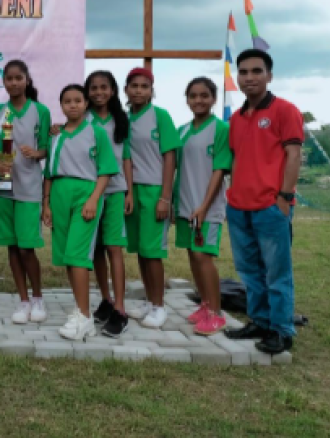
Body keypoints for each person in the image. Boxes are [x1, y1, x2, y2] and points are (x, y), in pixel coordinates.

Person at [224, 49, 303, 354]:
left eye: (256, 71)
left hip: (271, 207)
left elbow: (293, 155)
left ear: (269, 76)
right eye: (243, 72)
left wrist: (284, 197)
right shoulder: (237, 118)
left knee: (276, 273)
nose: (249, 77)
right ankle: (259, 321)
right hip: (239, 207)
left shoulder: (285, 110)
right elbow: (236, 159)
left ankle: (282, 330)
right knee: (249, 272)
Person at [42, 84, 118, 341]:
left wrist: (94, 199)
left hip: (85, 193)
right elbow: (49, 172)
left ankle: (85, 319)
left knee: (78, 254)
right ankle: (79, 309)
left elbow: (106, 169)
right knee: (66, 255)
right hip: (59, 194)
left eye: (77, 100)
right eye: (67, 101)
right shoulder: (56, 135)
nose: (72, 105)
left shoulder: (97, 132)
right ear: (61, 106)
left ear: (86, 104)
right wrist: (46, 204)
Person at [0, 60, 50, 325]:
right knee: (12, 247)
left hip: (30, 186)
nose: (13, 82)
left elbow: (48, 146)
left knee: (27, 248)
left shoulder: (40, 111)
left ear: (26, 80)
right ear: (3, 82)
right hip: (3, 185)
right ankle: (23, 300)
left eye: (18, 78)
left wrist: (37, 153)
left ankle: (38, 297)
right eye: (8, 78)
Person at [173, 77, 232, 336]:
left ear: (213, 99)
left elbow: (219, 171)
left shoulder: (221, 129)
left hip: (208, 207)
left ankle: (216, 314)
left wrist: (204, 206)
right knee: (191, 255)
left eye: (204, 95)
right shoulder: (182, 130)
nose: (198, 100)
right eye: (193, 96)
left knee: (202, 256)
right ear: (187, 99)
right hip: (185, 205)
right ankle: (205, 305)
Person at [124, 67, 180, 329]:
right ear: (125, 90)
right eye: (134, 86)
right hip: (132, 191)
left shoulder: (160, 116)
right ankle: (149, 300)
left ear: (151, 91)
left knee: (153, 252)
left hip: (155, 190)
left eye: (144, 86)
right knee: (142, 251)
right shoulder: (125, 119)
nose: (138, 91)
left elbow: (171, 157)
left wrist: (165, 197)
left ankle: (159, 306)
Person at [84, 71, 134, 338]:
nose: (99, 92)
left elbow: (126, 157)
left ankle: (120, 308)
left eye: (104, 87)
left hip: (115, 191)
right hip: (89, 192)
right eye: (94, 88)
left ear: (113, 91)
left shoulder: (120, 120)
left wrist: (129, 192)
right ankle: (105, 299)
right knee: (96, 249)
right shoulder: (84, 118)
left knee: (114, 247)